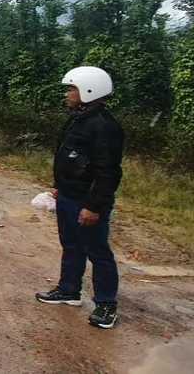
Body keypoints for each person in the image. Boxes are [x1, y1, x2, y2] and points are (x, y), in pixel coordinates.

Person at [36, 66, 124, 329]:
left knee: (97, 252)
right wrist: (57, 186)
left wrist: (93, 206)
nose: (67, 93)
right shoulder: (78, 118)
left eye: (71, 88)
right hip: (68, 195)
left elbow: (108, 172)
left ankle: (106, 305)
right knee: (71, 245)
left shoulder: (105, 127)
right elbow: (69, 156)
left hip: (87, 201)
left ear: (89, 89)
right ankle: (69, 290)